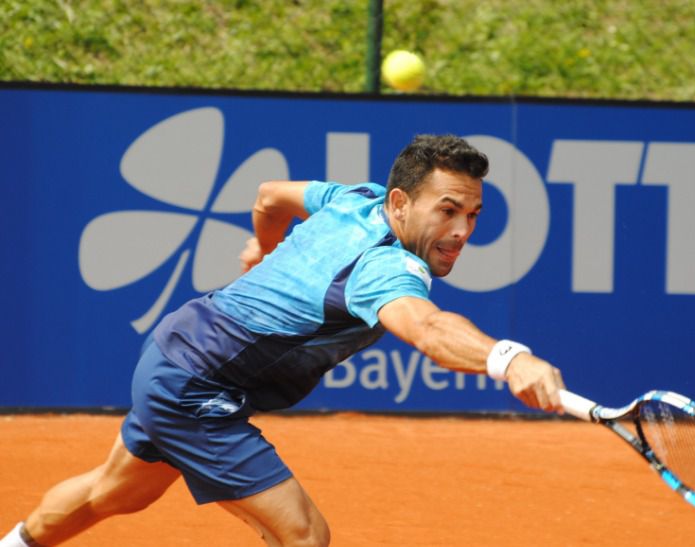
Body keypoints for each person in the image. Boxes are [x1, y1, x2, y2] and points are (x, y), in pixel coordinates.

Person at [1, 134, 565, 547]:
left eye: (472, 213)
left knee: (116, 493)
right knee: (301, 536)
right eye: (447, 210)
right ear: (400, 204)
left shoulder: (353, 198)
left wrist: (264, 249)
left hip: (174, 350)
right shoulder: (388, 269)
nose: (463, 231)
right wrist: (507, 358)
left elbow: (271, 196)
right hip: (197, 388)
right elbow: (427, 327)